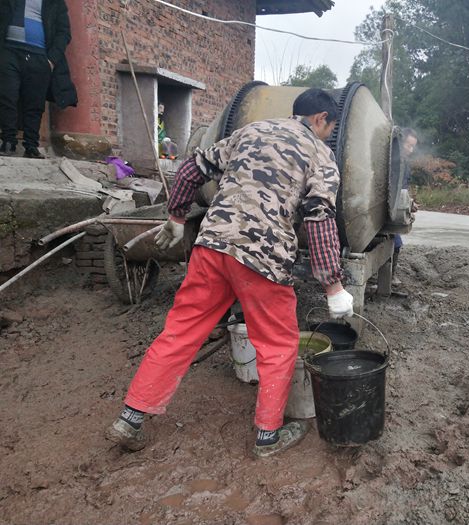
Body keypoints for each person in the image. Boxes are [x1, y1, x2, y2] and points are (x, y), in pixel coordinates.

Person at [106, 89, 354, 457]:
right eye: (329, 128)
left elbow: (191, 168)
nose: (327, 135)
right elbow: (319, 218)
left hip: (212, 246)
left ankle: (130, 418)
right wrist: (333, 286)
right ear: (320, 119)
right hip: (263, 256)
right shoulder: (320, 154)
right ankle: (268, 437)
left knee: (180, 331)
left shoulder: (250, 131)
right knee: (278, 344)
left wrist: (176, 217)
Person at [0, 0, 77, 158]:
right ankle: (8, 142)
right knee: (7, 97)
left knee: (35, 103)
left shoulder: (55, 2)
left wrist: (51, 60)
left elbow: (64, 32)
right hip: (9, 51)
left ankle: (31, 146)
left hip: (39, 56)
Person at [391, 127, 418, 285]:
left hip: (395, 208)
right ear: (400, 142)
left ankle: (389, 274)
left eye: (413, 146)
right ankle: (389, 276)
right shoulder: (389, 162)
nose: (410, 149)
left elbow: (403, 190)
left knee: (395, 242)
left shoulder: (405, 165)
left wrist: (410, 203)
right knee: (396, 243)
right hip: (385, 209)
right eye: (408, 145)